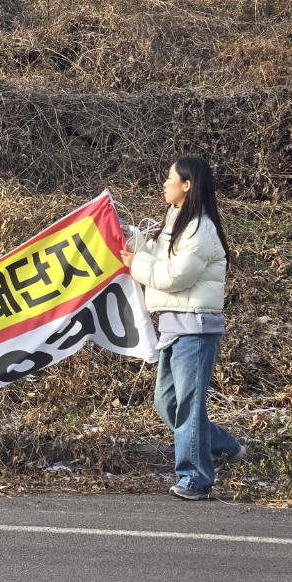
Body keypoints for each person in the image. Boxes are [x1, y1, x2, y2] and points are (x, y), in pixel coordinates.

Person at [120, 156, 246, 500]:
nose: (164, 183)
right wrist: (129, 237)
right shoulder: (177, 221)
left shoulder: (200, 228)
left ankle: (196, 479)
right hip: (174, 326)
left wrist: (137, 265)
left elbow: (174, 277)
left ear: (187, 184)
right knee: (167, 403)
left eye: (170, 178)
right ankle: (224, 445)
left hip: (196, 329)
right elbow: (156, 262)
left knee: (188, 405)